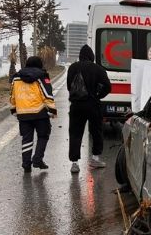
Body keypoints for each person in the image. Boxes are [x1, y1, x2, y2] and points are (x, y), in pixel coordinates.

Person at [67, 43, 112, 172]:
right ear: (92, 56)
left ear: (80, 56)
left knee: (75, 133)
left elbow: (69, 87)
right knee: (96, 131)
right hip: (93, 105)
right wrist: (98, 95)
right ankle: (95, 159)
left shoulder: (72, 68)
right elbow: (108, 87)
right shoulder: (98, 69)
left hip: (76, 105)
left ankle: (74, 164)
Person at [9, 55, 56, 172]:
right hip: (39, 112)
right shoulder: (42, 76)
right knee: (43, 135)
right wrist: (52, 110)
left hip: (23, 113)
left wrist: (14, 109)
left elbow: (13, 96)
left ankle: (26, 164)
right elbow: (47, 94)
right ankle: (37, 159)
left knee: (26, 139)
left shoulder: (16, 78)